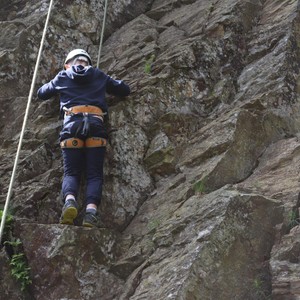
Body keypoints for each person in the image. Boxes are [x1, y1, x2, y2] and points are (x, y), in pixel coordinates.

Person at [37, 49, 130, 227]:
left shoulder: (62, 76)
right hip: (95, 124)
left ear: (68, 64)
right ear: (87, 63)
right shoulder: (97, 74)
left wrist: (57, 82)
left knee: (71, 172)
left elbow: (42, 93)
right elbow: (124, 89)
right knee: (94, 174)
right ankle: (90, 213)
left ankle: (70, 201)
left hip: (72, 125)